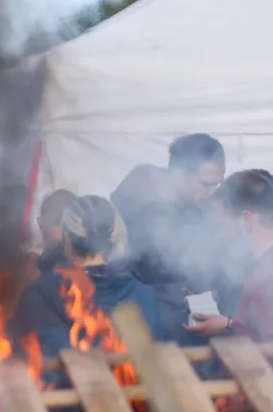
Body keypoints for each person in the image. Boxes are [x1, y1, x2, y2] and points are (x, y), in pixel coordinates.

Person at [11, 195, 165, 362]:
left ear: (67, 243)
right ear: (116, 240)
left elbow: (36, 368)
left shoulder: (38, 296)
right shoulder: (148, 296)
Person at [111, 134, 226, 344]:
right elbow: (124, 274)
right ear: (179, 175)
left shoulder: (201, 210)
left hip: (191, 326)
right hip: (148, 329)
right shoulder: (138, 210)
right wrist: (171, 295)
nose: (212, 193)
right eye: (206, 184)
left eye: (217, 185)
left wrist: (212, 290)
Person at [191, 169, 273, 341]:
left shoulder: (267, 277)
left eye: (221, 221)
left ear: (246, 220)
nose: (217, 232)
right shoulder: (259, 267)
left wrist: (228, 325)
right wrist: (229, 324)